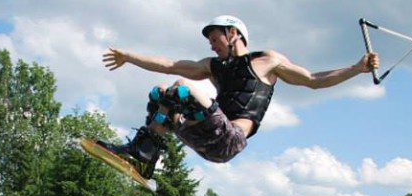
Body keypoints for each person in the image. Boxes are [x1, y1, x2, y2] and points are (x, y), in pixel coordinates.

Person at [100, 15, 378, 177]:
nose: (211, 45)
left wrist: (356, 68)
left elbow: (313, 80)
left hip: (229, 139)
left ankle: (145, 153)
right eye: (209, 42)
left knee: (183, 87)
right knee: (161, 94)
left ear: (233, 34)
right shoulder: (213, 66)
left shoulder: (267, 61)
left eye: (215, 39)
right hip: (202, 136)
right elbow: (169, 63)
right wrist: (129, 57)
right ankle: (143, 155)